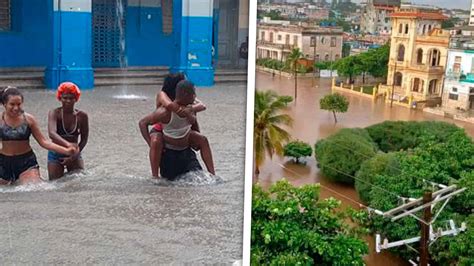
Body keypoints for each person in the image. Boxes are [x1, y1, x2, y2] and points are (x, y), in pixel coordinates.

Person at [0, 87, 78, 185]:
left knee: (32, 188)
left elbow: (44, 142)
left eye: (19, 104)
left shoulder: (29, 120)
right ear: (4, 104)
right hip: (3, 162)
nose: (16, 108)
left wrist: (66, 150)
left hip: (26, 163)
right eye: (12, 104)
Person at [139, 80, 215, 178]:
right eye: (193, 93)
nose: (195, 96)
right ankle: (155, 176)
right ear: (185, 94)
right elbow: (142, 123)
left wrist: (190, 111)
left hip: (185, 145)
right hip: (169, 146)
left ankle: (213, 174)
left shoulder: (191, 107)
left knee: (203, 139)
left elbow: (200, 110)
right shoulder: (165, 112)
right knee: (156, 141)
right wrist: (149, 143)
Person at [47, 82, 89, 180]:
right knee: (55, 184)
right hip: (56, 151)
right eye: (65, 98)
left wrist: (74, 156)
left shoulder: (82, 116)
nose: (68, 101)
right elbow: (52, 133)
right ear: (60, 98)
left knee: (78, 181)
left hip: (74, 152)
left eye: (71, 98)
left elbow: (84, 139)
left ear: (76, 99)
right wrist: (68, 145)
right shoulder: (54, 113)